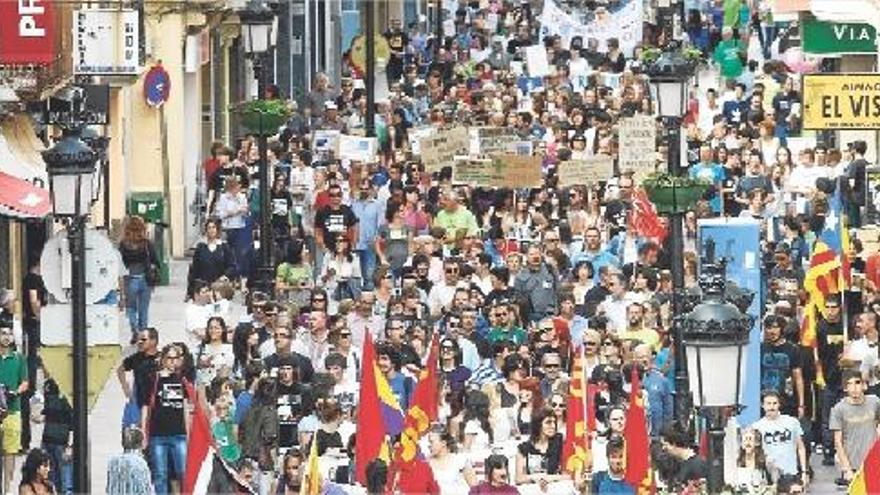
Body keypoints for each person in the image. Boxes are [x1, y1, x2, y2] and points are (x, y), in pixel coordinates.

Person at [141, 344, 192, 495]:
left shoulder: (181, 380)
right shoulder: (153, 379)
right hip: (158, 434)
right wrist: (144, 431)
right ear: (163, 359)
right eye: (169, 358)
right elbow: (145, 406)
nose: (172, 362)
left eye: (175, 358)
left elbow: (185, 408)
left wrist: (188, 433)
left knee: (183, 472)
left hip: (178, 433)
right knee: (160, 474)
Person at [830, 369, 880, 485]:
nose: (854, 388)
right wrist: (846, 469)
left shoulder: (875, 402)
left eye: (857, 383)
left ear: (864, 385)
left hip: (874, 461)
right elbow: (838, 441)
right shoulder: (839, 409)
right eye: (849, 384)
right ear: (845, 388)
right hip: (853, 464)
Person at [751, 390, 808, 487]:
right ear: (762, 405)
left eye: (774, 403)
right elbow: (754, 453)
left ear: (779, 405)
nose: (772, 407)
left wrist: (804, 472)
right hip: (768, 476)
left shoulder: (792, 422)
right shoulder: (757, 427)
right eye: (768, 404)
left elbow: (801, 448)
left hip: (790, 474)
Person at [119, 216, 160, 341]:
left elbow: (120, 263)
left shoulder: (123, 244)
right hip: (144, 279)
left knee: (130, 308)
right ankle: (143, 335)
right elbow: (155, 260)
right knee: (143, 310)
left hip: (129, 279)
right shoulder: (146, 243)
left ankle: (135, 329)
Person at [0, 321, 29, 494]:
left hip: (12, 410)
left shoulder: (18, 358)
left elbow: (25, 382)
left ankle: (7, 488)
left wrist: (15, 392)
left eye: (8, 333)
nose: (6, 337)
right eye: (3, 333)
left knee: (10, 451)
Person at [187, 218, 236, 299]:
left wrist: (225, 276)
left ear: (217, 229)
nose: (211, 230)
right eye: (209, 228)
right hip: (204, 289)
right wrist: (191, 291)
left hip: (219, 289)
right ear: (206, 230)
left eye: (213, 227)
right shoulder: (201, 247)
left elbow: (232, 266)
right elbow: (194, 270)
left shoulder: (224, 247)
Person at [40, 379, 72, 494]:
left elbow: (75, 420)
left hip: (62, 442)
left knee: (64, 480)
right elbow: (44, 412)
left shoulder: (70, 387)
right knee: (48, 478)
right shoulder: (49, 385)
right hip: (47, 439)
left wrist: (71, 445)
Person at [106, 427, 153, 495]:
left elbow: (109, 487)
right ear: (141, 443)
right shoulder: (140, 463)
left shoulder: (113, 461)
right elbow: (144, 489)